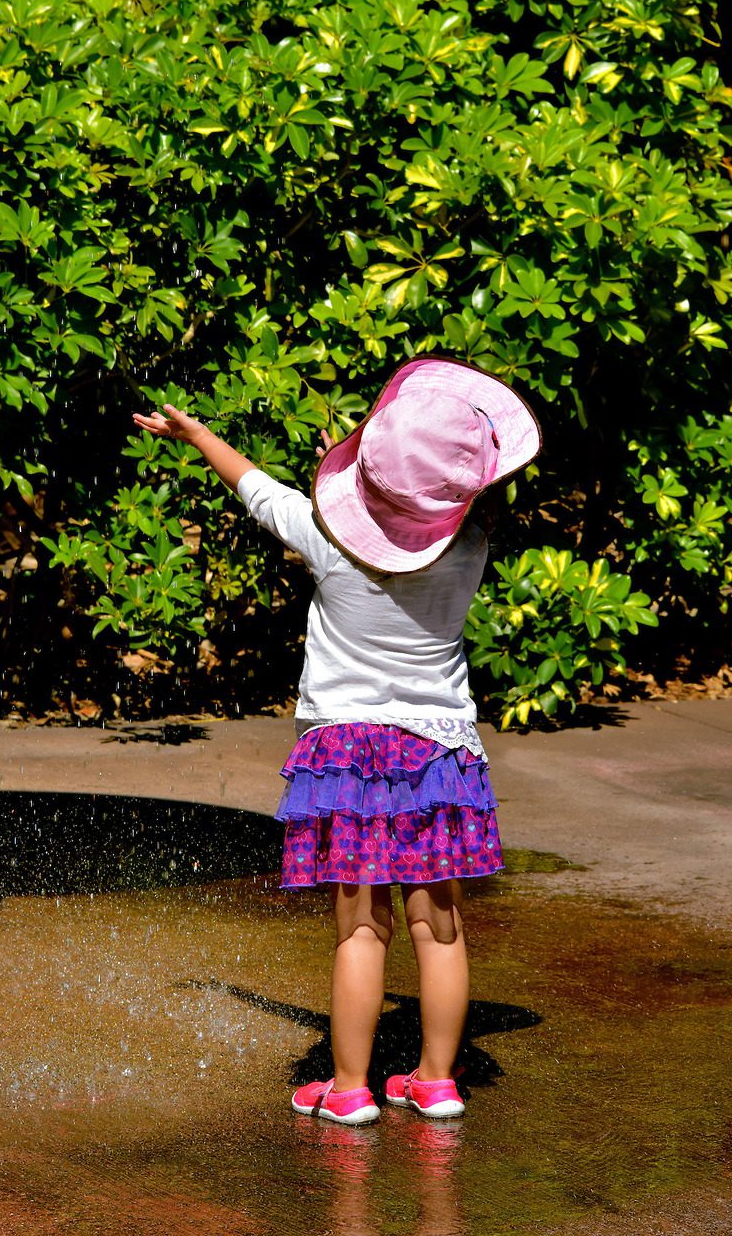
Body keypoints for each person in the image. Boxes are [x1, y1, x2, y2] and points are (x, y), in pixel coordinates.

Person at [133, 356, 540, 1126]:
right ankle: (435, 1081)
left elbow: (258, 490)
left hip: (347, 757)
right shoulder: (470, 547)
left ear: (362, 486)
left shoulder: (326, 540)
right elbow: (435, 503)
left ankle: (349, 1088)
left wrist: (198, 435)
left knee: (360, 927)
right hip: (438, 755)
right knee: (439, 927)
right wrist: (378, 483)